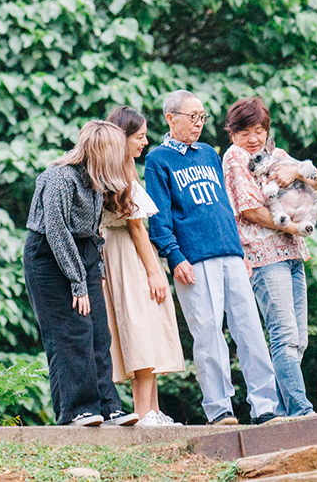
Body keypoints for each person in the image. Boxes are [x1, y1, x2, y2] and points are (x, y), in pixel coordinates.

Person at [144, 90, 280, 426]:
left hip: (230, 253)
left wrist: (240, 248)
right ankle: (220, 410)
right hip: (193, 259)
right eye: (192, 117)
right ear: (170, 118)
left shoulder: (207, 153)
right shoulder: (158, 160)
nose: (199, 123)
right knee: (208, 335)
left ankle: (266, 407)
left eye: (202, 117)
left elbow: (224, 206)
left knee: (250, 330)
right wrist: (175, 257)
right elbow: (158, 217)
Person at [23, 120, 139, 426]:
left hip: (83, 253)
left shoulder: (95, 181)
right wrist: (78, 283)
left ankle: (107, 405)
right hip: (48, 258)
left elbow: (92, 232)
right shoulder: (58, 178)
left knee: (99, 331)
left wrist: (94, 270)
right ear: (101, 152)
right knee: (70, 332)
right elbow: (57, 232)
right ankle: (76, 410)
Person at [220, 96, 314, 417]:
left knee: (299, 338)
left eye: (259, 130)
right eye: (245, 131)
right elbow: (249, 208)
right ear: (232, 133)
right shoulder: (234, 157)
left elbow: (316, 180)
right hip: (264, 255)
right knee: (284, 334)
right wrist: (292, 225)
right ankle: (300, 411)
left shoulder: (274, 153)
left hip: (292, 252)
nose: (253, 139)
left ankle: (292, 411)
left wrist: (294, 171)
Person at [100, 107, 186, 427]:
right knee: (141, 329)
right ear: (122, 139)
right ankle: (145, 412)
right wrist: (154, 272)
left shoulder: (119, 170)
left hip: (123, 252)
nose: (145, 142)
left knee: (145, 328)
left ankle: (152, 409)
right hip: (129, 254)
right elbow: (137, 228)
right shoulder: (120, 174)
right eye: (139, 137)